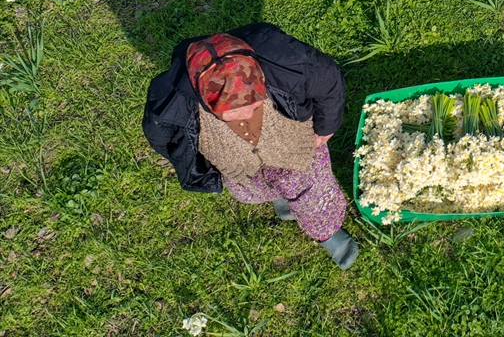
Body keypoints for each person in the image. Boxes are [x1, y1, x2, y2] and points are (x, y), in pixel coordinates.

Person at [142, 23, 359, 269]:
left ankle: (327, 232)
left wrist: (325, 127)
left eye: (255, 106)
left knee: (311, 190)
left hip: (293, 145)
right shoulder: (168, 104)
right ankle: (280, 196)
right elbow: (163, 138)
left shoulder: (287, 61)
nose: (245, 115)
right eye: (231, 114)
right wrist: (201, 167)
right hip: (238, 163)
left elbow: (328, 80)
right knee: (250, 189)